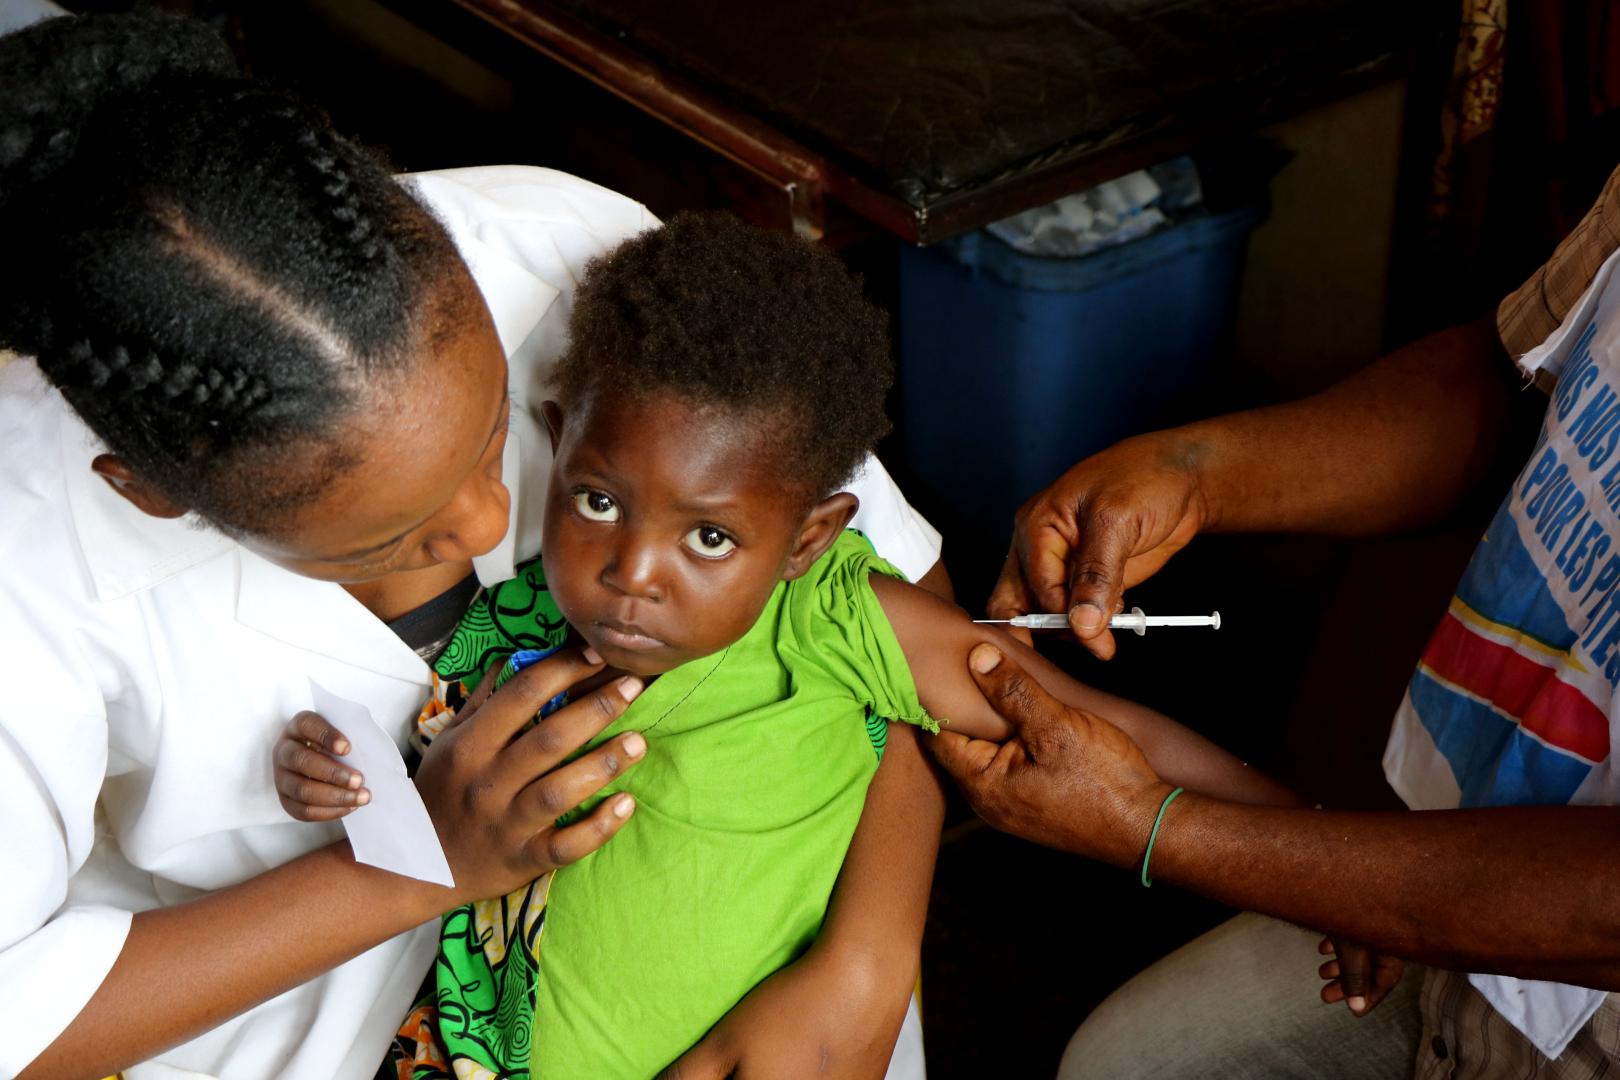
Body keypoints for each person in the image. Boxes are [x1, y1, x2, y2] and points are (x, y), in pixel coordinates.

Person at [0, 13, 953, 1079]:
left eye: (498, 432)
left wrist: (867, 960)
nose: (497, 525)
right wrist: (421, 871)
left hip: (769, 981)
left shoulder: (564, 258)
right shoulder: (23, 555)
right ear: (153, 491)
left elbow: (888, 598)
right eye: (393, 534)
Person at [274, 211, 1306, 1077]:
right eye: (598, 499)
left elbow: (1102, 728)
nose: (633, 571)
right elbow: (431, 795)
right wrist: (337, 775)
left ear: (812, 536)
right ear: (559, 433)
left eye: (710, 537)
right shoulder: (512, 626)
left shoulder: (836, 622)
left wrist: (1305, 861)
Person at [929, 162, 1620, 1076]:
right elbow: (1516, 377)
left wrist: (1156, 828)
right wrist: (1194, 472)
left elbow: (1599, 902)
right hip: (1457, 844)